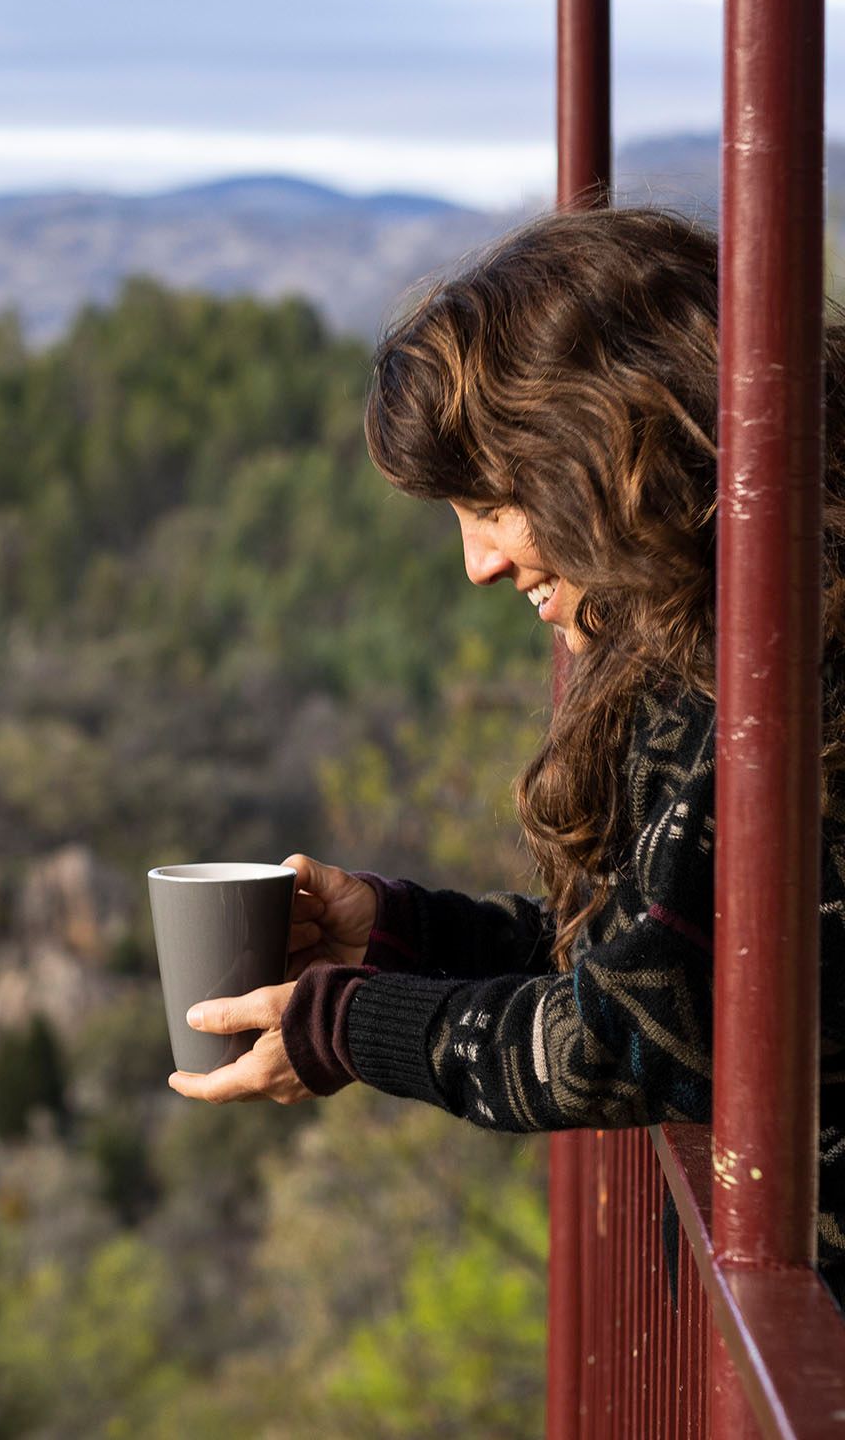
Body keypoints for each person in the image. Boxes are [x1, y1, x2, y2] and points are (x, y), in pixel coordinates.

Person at [162, 205, 845, 1296]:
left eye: (491, 502)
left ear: (604, 443)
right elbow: (660, 965)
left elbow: (625, 1035)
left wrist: (345, 1025)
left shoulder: (787, 679)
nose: (478, 563)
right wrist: (402, 934)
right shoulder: (718, 653)